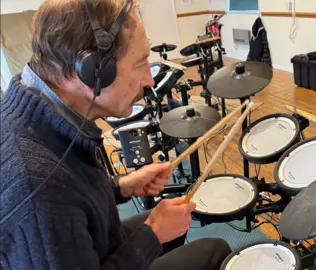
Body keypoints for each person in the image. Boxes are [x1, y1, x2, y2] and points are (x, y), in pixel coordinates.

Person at [0, 0, 231, 269]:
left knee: (172, 221)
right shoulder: (38, 191)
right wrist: (152, 236)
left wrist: (121, 187)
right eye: (141, 61)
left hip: (86, 246)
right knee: (214, 249)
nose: (150, 80)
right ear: (94, 70)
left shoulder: (37, 113)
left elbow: (70, 194)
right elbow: (54, 200)